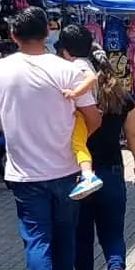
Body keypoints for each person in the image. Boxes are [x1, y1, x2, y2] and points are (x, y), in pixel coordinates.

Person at [0, 7, 102, 270]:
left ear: (13, 36)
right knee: (65, 236)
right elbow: (93, 116)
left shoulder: (0, 69)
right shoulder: (67, 69)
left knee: (37, 239)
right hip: (66, 169)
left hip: (23, 172)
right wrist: (76, 140)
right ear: (47, 34)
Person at [66, 30, 135, 270]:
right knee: (113, 232)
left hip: (79, 174)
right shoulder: (122, 96)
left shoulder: (75, 95)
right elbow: (134, 134)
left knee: (82, 235)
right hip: (112, 172)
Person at [58, 26, 105, 200]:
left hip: (82, 114)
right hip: (87, 112)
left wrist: (74, 93)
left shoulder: (78, 64)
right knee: (78, 144)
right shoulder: (86, 61)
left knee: (78, 144)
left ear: (66, 50)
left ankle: (87, 175)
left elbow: (91, 79)